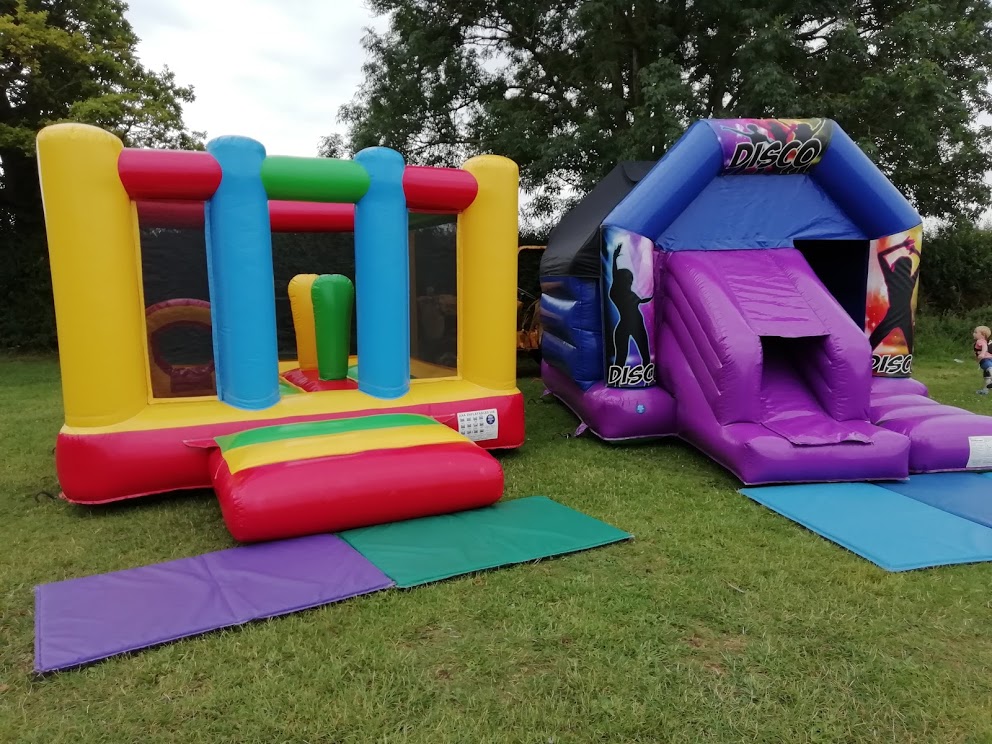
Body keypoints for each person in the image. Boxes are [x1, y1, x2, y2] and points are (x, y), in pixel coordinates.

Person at [868, 237, 922, 355]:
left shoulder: (890, 277)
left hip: (893, 314)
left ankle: (862, 360)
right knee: (909, 345)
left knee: (871, 342)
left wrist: (901, 245)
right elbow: (919, 263)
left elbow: (881, 255)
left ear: (895, 266)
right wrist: (914, 250)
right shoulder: (911, 280)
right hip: (905, 315)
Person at [607, 243, 652, 367]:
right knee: (622, 356)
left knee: (644, 354)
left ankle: (643, 374)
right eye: (628, 279)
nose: (630, 281)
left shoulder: (628, 292)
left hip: (636, 323)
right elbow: (615, 275)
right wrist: (615, 257)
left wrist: (650, 297)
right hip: (628, 324)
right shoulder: (617, 292)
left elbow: (641, 301)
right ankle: (618, 379)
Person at [974, 326, 992, 394]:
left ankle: (985, 390)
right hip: (990, 359)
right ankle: (985, 390)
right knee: (987, 377)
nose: (974, 334)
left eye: (976, 332)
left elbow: (984, 347)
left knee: (989, 369)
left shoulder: (980, 341)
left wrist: (982, 353)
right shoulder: (987, 342)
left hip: (985, 360)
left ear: (983, 335)